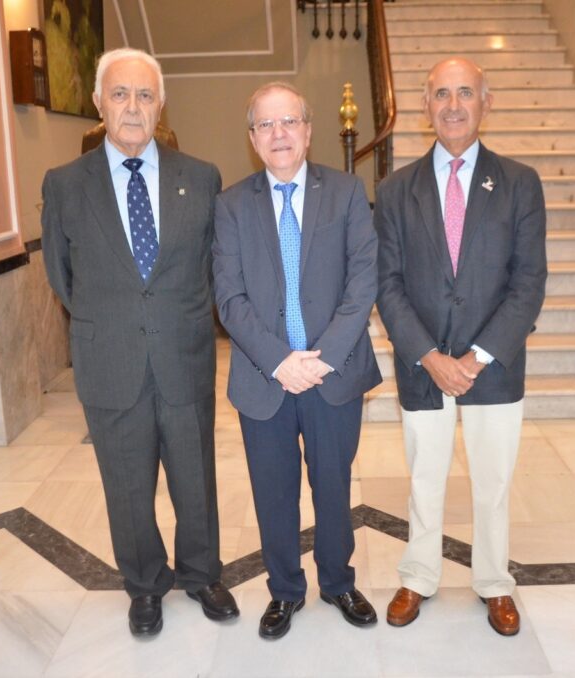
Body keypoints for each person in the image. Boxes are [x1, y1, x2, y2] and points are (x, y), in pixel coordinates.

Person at [41, 48, 237, 638]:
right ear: (99, 103)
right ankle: (145, 586)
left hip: (184, 356)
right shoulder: (65, 184)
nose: (133, 107)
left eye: (145, 95)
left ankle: (202, 574)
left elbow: (211, 269)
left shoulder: (200, 178)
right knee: (126, 484)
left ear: (161, 106)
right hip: (111, 360)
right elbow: (61, 276)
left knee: (194, 476)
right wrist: (113, 323)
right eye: (120, 94)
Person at [374, 57, 547, 635]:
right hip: (423, 367)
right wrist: (429, 355)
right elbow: (387, 283)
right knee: (424, 478)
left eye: (465, 93)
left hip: (493, 369)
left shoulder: (520, 183)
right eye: (442, 93)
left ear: (485, 102)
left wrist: (476, 357)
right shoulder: (396, 189)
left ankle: (495, 582)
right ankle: (419, 575)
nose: (453, 104)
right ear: (425, 104)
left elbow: (529, 283)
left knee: (493, 482)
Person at [212, 82, 382, 639]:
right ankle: (284, 591)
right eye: (266, 125)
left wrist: (323, 357)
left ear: (309, 132)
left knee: (333, 485)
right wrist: (280, 360)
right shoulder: (232, 205)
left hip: (332, 375)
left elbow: (363, 281)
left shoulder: (348, 192)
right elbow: (229, 298)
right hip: (265, 379)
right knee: (273, 490)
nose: (279, 133)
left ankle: (337, 581)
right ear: (253, 139)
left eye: (289, 122)